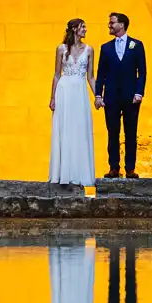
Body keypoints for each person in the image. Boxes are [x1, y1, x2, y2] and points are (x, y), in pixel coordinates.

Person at [94, 11, 146, 179]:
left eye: (112, 22)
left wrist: (139, 92)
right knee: (112, 133)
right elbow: (100, 73)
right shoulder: (106, 47)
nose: (109, 25)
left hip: (131, 97)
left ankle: (130, 168)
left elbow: (142, 72)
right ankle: (114, 167)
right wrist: (98, 95)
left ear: (121, 24)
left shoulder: (137, 45)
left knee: (131, 132)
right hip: (111, 97)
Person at [48, 17, 97, 187]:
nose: (85, 30)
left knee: (80, 129)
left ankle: (81, 175)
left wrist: (98, 95)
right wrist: (52, 97)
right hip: (64, 90)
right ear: (75, 29)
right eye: (83, 27)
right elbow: (56, 74)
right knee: (65, 129)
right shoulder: (61, 49)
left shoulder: (89, 50)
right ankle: (63, 174)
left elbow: (90, 76)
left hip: (80, 92)